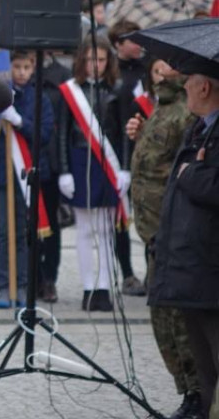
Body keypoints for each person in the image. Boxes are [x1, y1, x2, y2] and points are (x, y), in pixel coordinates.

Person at [127, 58, 201, 418]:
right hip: (152, 230)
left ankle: (197, 395)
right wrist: (138, 134)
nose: (162, 72)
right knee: (161, 317)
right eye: (157, 66)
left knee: (177, 321)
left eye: (169, 65)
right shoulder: (163, 107)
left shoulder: (187, 113)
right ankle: (186, 390)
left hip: (172, 231)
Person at [149, 66, 219, 419]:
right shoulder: (198, 129)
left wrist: (191, 174)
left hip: (210, 268)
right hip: (191, 266)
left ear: (204, 87)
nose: (184, 87)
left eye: (189, 81)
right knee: (205, 368)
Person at [57, 36, 126, 312]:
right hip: (79, 159)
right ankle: (88, 287)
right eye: (90, 60)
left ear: (108, 61)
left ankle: (105, 288)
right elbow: (62, 133)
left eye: (100, 59)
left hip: (107, 164)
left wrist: (126, 169)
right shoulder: (69, 91)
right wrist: (64, 171)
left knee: (106, 230)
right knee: (85, 230)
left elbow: (122, 134)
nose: (95, 65)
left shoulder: (117, 90)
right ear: (81, 61)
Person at [0, 50, 54, 308]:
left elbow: (44, 135)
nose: (22, 72)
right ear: (8, 67)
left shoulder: (39, 98)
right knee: (2, 232)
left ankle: (22, 285)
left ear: (34, 68)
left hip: (27, 175)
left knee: (23, 233)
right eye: (17, 66)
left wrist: (20, 121)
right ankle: (4, 286)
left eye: (27, 67)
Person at [108, 19, 147, 297]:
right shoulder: (112, 74)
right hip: (118, 151)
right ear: (118, 44)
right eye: (132, 39)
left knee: (148, 216)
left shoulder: (149, 68)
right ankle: (127, 274)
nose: (138, 44)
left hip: (146, 151)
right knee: (121, 219)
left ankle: (152, 273)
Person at [38, 51, 73, 303]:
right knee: (26, 228)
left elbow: (66, 124)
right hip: (23, 158)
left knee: (50, 225)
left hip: (49, 161)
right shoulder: (16, 70)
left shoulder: (63, 75)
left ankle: (49, 278)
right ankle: (30, 278)